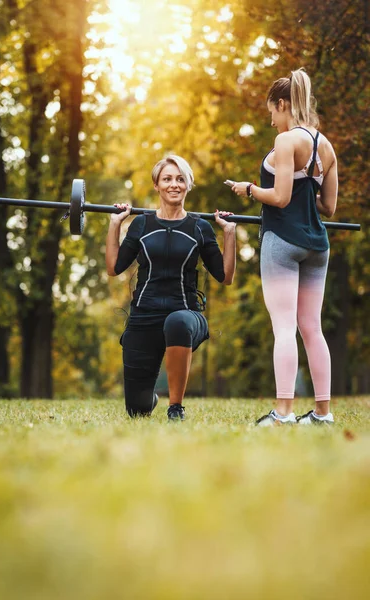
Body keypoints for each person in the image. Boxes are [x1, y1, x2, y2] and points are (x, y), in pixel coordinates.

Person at [229, 68, 338, 426]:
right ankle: (322, 415)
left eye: (272, 112)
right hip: (317, 245)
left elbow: (279, 197)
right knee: (312, 328)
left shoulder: (286, 141)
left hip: (282, 241)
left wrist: (248, 189)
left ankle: (283, 414)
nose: (271, 120)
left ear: (282, 104)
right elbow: (329, 207)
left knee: (283, 328)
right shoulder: (325, 144)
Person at [106, 155, 236, 420]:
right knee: (137, 410)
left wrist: (230, 234)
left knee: (176, 322)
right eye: (167, 179)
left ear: (188, 184)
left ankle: (175, 407)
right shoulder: (141, 224)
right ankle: (148, 398)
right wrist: (115, 224)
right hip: (144, 316)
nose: (173, 184)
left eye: (180, 179)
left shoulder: (200, 227)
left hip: (186, 314)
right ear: (157, 185)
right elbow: (113, 268)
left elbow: (225, 277)